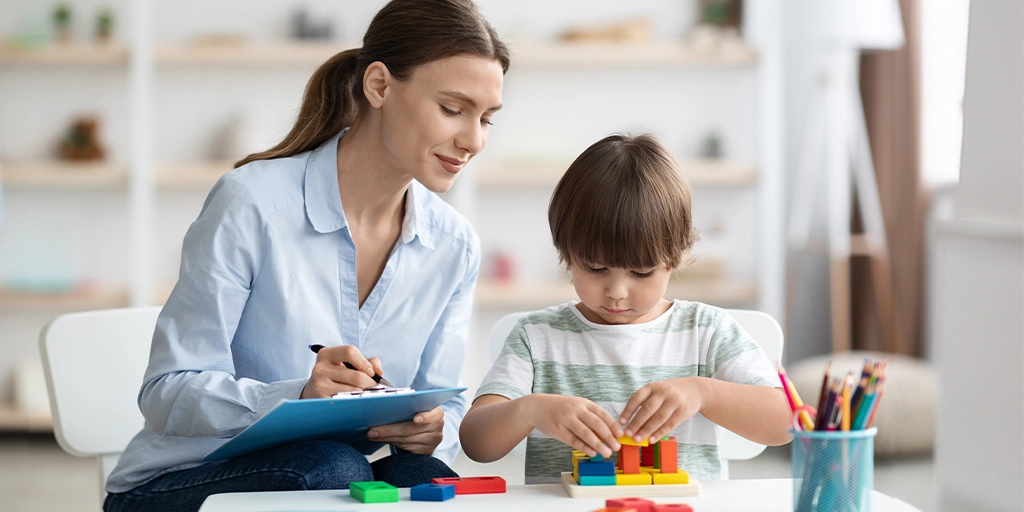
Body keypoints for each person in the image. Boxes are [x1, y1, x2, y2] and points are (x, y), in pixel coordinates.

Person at [104, 1, 509, 510]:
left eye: (487, 118)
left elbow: (443, 404)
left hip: (326, 475)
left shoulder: (453, 243)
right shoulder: (252, 203)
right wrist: (296, 396)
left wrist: (433, 431)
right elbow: (167, 391)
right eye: (453, 109)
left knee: (422, 473)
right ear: (379, 85)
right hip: (178, 484)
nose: (473, 140)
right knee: (332, 468)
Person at [459, 134, 792, 484]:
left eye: (642, 272)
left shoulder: (706, 331)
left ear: (674, 258)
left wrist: (703, 392)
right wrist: (529, 410)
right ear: (566, 253)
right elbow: (476, 443)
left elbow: (786, 422)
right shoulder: (537, 337)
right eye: (595, 268)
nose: (617, 292)